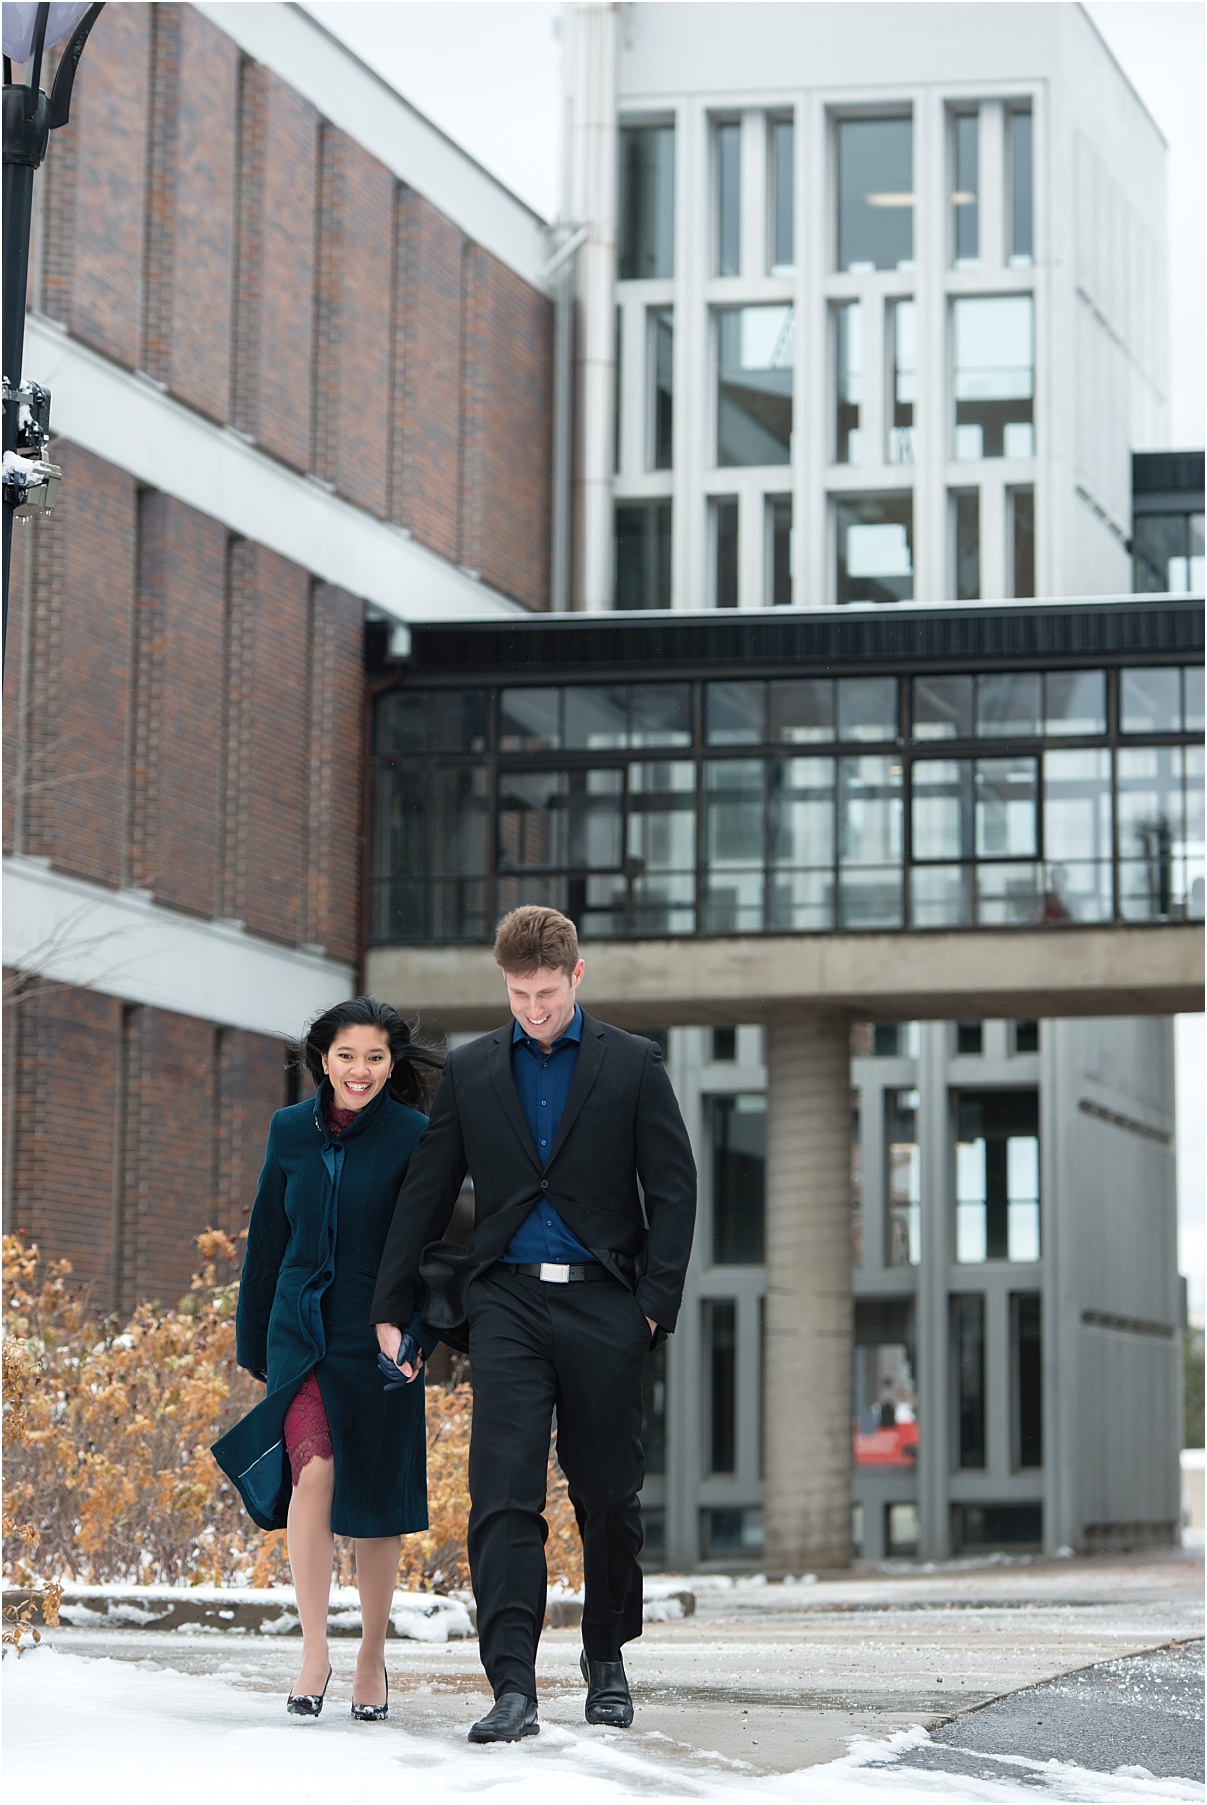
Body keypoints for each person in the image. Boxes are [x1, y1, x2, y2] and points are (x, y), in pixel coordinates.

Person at [371, 906, 696, 1744]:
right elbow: (428, 1190)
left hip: (604, 1303)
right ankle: (512, 1684)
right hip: (506, 1302)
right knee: (503, 1494)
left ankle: (606, 1657)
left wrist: (651, 1305)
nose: (533, 1008)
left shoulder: (632, 1063)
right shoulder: (475, 1069)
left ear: (576, 977)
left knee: (608, 1497)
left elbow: (672, 1185)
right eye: (518, 993)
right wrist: (390, 1303)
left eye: (546, 992)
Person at [212, 997, 443, 1721]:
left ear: (391, 1063)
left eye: (375, 1057)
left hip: (377, 1336)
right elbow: (268, 1241)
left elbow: (430, 1248)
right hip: (301, 1335)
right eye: (347, 1055)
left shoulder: (413, 1135)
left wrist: (416, 1335)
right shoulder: (289, 1130)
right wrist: (256, 1342)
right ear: (322, 1058)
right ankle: (315, 1648)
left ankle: (370, 1654)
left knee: (374, 1504)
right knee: (315, 1472)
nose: (360, 1070)